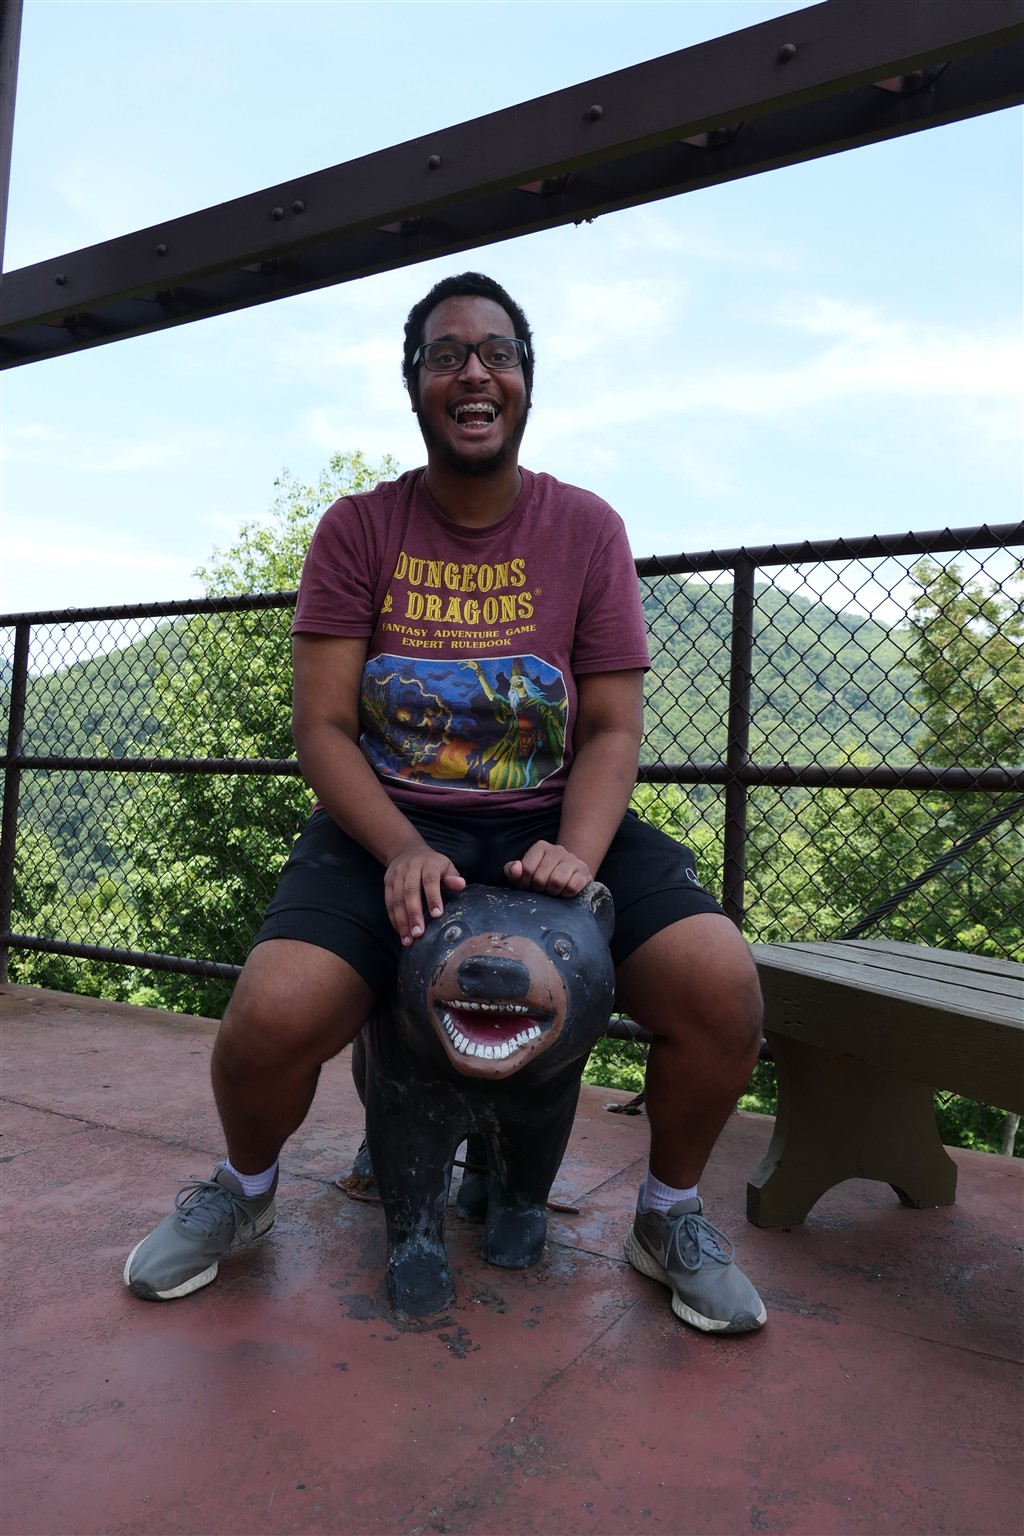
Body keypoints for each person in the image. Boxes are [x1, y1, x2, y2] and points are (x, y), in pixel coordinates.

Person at [124, 272, 767, 1334]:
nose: (475, 371)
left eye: (498, 352)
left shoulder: (586, 528)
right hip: (387, 823)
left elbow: (612, 728)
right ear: (415, 386)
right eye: (446, 355)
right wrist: (398, 847)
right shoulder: (358, 530)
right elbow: (323, 728)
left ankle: (668, 1215)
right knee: (270, 1016)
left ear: (526, 382)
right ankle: (243, 1190)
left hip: (551, 818)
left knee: (720, 984)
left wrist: (577, 851)